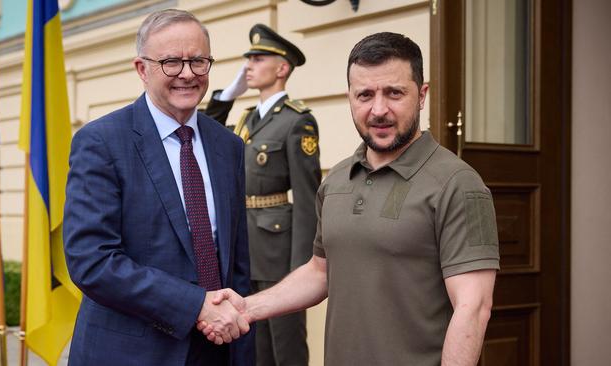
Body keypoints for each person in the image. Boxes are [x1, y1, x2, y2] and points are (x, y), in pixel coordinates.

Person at [201, 32, 500, 366]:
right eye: (365, 95)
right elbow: (320, 272)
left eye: (395, 93)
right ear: (350, 98)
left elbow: (473, 308)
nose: (379, 109)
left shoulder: (458, 184)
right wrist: (247, 308)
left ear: (422, 95)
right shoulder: (337, 180)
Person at [63, 9, 253, 366]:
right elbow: (92, 260)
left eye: (198, 61)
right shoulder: (101, 142)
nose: (187, 73)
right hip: (132, 354)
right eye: (171, 62)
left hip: (217, 349)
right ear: (141, 69)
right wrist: (195, 306)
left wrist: (240, 345)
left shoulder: (229, 146)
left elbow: (236, 263)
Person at [204, 24, 321, 366]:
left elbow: (307, 197)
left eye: (258, 58)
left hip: (279, 245)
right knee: (250, 342)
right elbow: (205, 128)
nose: (249, 66)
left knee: (284, 342)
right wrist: (228, 93)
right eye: (248, 59)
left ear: (282, 68)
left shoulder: (298, 121)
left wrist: (304, 266)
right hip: (244, 245)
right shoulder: (246, 119)